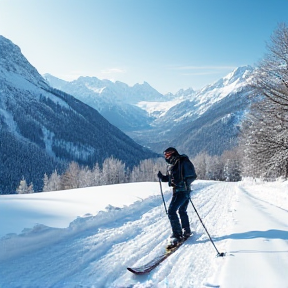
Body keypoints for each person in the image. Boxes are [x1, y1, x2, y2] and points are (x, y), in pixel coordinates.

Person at [157, 147, 197, 247]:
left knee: (171, 211)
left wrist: (183, 183)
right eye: (165, 155)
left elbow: (192, 176)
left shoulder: (183, 161)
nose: (166, 157)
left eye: (168, 154)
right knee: (182, 210)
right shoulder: (172, 165)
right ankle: (186, 230)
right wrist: (162, 177)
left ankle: (177, 234)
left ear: (173, 153)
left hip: (183, 191)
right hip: (178, 191)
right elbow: (171, 179)